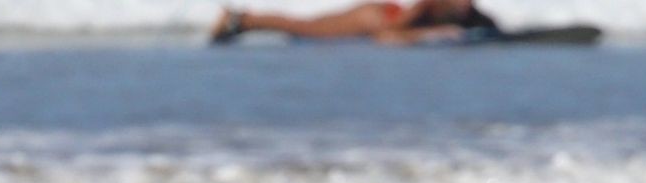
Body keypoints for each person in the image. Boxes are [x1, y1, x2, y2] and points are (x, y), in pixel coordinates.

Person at [211, 0, 499, 43]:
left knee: (303, 26)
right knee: (302, 27)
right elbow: (388, 36)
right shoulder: (427, 7)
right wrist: (436, 33)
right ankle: (240, 19)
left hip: (379, 15)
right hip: (373, 19)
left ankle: (239, 20)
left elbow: (494, 28)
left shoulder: (469, 12)